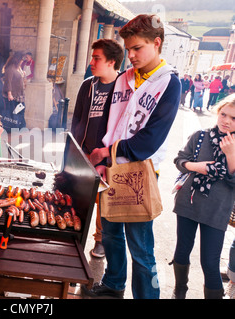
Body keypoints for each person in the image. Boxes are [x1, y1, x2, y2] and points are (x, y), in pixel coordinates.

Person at [88, 14, 181, 299]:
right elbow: (108, 122)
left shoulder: (169, 83)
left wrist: (109, 151)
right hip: (110, 170)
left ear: (156, 43)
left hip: (140, 172)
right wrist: (104, 162)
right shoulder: (124, 77)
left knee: (141, 247)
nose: (130, 55)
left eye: (137, 48)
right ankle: (114, 284)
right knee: (112, 235)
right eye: (127, 49)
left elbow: (151, 138)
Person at [171, 93, 235, 299]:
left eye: (234, 118)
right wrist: (194, 166)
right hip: (189, 202)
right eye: (223, 114)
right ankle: (180, 290)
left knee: (209, 262)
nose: (226, 121)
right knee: (182, 251)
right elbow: (180, 159)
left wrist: (231, 155)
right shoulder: (200, 136)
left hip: (217, 210)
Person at [71, 39, 124, 258]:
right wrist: (74, 150)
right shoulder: (88, 85)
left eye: (96, 58)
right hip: (85, 153)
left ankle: (100, 240)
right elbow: (77, 119)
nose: (91, 62)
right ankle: (74, 236)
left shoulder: (125, 87)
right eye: (92, 57)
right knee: (79, 198)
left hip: (109, 156)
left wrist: (110, 153)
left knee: (104, 202)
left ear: (112, 62)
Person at [2, 51, 26, 128]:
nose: (22, 61)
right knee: (14, 113)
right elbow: (8, 81)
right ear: (17, 59)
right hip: (13, 96)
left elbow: (19, 77)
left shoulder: (18, 67)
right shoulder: (10, 68)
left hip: (19, 95)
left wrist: (23, 74)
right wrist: (9, 94)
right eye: (21, 59)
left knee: (20, 110)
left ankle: (19, 127)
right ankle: (14, 128)